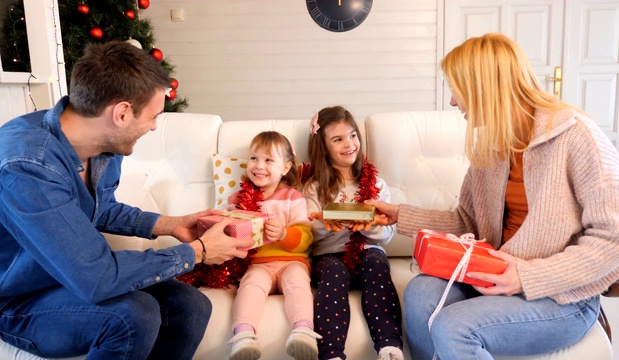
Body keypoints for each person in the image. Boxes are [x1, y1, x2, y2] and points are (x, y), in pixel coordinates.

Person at [367, 32, 619, 359]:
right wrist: (399, 214)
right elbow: (467, 221)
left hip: (562, 295)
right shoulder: (494, 146)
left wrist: (527, 276)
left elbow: (615, 238)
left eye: (456, 90)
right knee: (421, 292)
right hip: (494, 273)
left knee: (455, 326)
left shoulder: (578, 137)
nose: (452, 102)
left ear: (484, 89)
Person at [0, 41, 254, 359]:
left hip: (73, 275)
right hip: (19, 299)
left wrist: (170, 224)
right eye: (152, 116)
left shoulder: (105, 146)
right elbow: (96, 278)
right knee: (133, 317)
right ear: (121, 113)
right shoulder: (27, 165)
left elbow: (98, 208)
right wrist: (198, 252)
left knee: (191, 306)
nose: (153, 126)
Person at [302, 106, 404, 360]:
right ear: (323, 148)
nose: (349, 144)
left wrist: (373, 225)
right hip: (330, 257)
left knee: (376, 261)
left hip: (368, 251)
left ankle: (389, 346)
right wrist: (329, 221)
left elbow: (387, 234)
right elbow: (307, 232)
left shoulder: (376, 185)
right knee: (334, 272)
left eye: (353, 136)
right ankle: (331, 353)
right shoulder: (315, 188)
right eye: (338, 139)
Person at [226, 131, 320, 360]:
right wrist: (228, 219)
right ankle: (244, 336)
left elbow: (306, 237)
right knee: (250, 286)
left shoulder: (293, 197)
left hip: (292, 261)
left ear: (286, 167)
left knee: (298, 284)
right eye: (254, 158)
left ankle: (303, 331)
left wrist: (284, 233)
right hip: (258, 263)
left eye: (269, 160)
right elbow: (225, 234)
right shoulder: (237, 198)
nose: (259, 166)